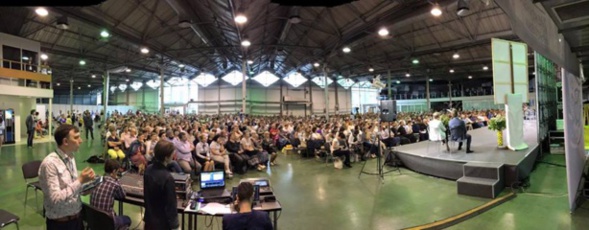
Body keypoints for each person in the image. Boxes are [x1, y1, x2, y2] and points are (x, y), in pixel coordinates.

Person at [39, 124, 96, 230]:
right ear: (65, 142)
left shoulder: (70, 158)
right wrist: (80, 181)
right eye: (76, 137)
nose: (81, 140)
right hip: (60, 224)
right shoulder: (50, 164)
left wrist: (87, 187)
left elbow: (71, 188)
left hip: (77, 219)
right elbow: (55, 199)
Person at [144, 140, 180, 230]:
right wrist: (175, 226)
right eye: (172, 154)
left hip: (149, 220)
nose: (173, 156)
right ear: (166, 157)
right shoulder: (167, 178)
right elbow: (171, 205)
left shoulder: (148, 169)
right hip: (162, 224)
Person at [90, 159, 131, 229]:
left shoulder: (96, 179)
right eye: (117, 172)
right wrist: (117, 180)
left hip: (93, 220)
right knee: (127, 219)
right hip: (107, 222)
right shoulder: (115, 184)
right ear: (114, 171)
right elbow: (122, 195)